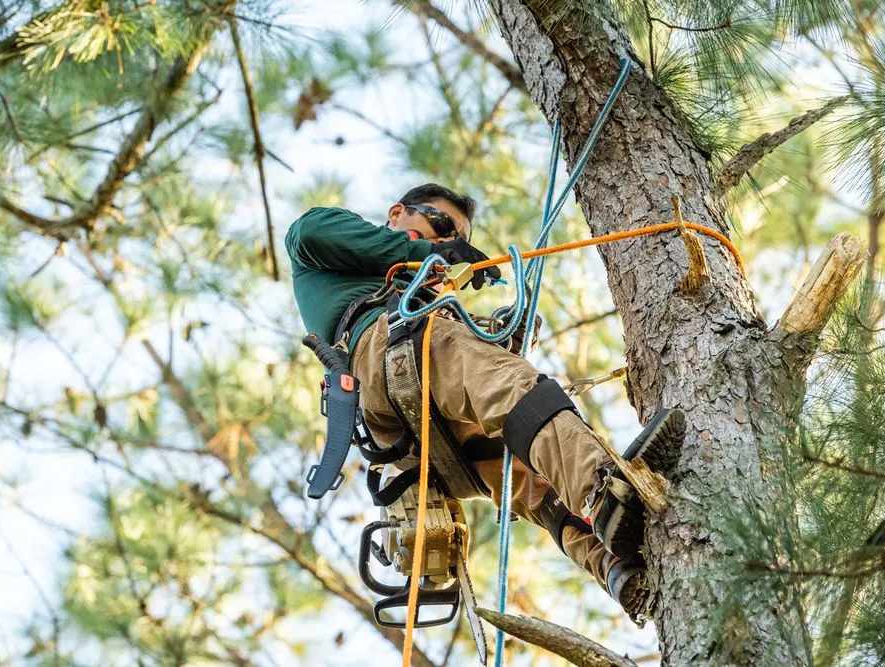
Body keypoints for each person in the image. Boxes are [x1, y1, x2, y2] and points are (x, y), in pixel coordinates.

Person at [285, 183, 684, 619]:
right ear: (397, 212)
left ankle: (619, 569)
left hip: (424, 446)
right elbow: (306, 232)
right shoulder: (336, 246)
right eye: (440, 225)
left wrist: (494, 331)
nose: (446, 239)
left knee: (535, 483)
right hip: (388, 355)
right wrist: (429, 254)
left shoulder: (425, 294)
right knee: (517, 386)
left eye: (457, 237)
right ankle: (602, 488)